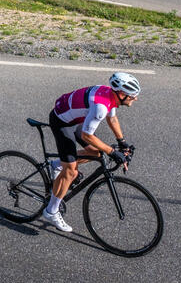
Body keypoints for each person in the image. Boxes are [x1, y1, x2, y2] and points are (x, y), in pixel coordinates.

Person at [41, 71, 140, 233]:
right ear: (121, 94)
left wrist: (122, 143)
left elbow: (112, 119)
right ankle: (51, 211)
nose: (135, 99)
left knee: (97, 153)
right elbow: (87, 135)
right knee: (71, 172)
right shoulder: (101, 106)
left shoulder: (110, 96)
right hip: (62, 122)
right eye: (132, 96)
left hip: (77, 118)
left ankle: (57, 165)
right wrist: (112, 151)